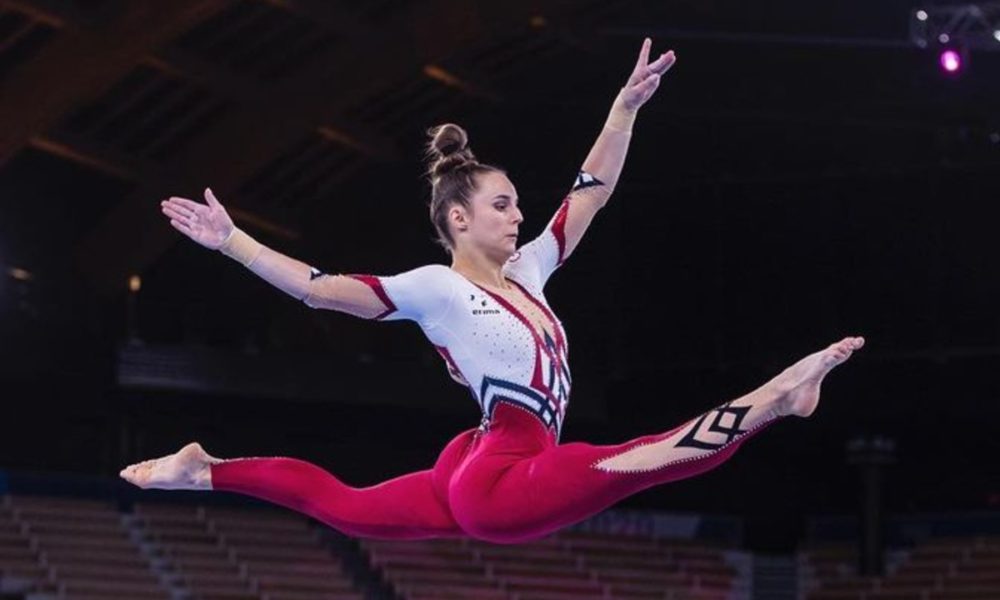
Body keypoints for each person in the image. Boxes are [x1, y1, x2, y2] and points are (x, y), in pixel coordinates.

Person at [121, 39, 864, 544]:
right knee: (650, 456)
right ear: (457, 218)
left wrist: (625, 109)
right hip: (500, 476)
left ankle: (204, 470)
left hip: (486, 455)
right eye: (502, 205)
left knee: (344, 507)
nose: (518, 215)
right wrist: (232, 241)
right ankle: (780, 395)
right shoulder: (436, 289)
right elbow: (319, 291)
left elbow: (591, 192)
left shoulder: (531, 270)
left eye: (516, 204)